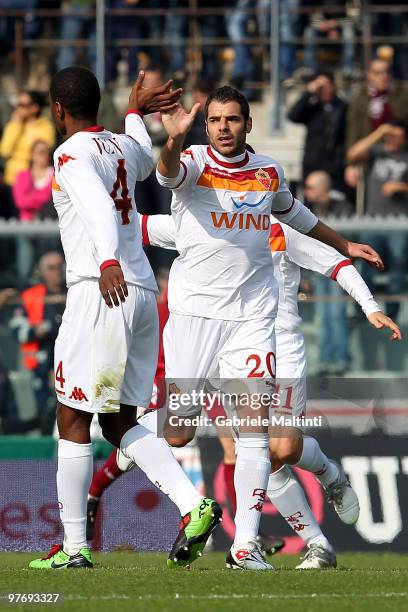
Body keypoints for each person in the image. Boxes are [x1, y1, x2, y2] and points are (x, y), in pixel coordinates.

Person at [155, 85, 383, 570]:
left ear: (247, 123)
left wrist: (343, 244)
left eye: (232, 119)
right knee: (176, 434)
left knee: (258, 437)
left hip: (253, 320)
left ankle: (246, 546)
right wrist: (170, 142)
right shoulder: (193, 161)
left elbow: (294, 213)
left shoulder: (268, 173)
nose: (223, 127)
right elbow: (168, 174)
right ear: (206, 124)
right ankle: (136, 439)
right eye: (215, 119)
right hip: (195, 317)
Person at [28, 67, 221, 571]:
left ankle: (74, 548)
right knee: (118, 421)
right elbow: (139, 160)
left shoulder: (68, 154)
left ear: (57, 109)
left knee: (71, 416)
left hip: (101, 289)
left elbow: (94, 207)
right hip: (140, 292)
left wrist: (107, 259)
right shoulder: (117, 144)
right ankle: (192, 504)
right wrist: (135, 112)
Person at [347, 119, 408, 318]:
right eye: (392, 134)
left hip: (399, 224)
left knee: (398, 268)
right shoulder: (376, 153)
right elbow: (352, 153)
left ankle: (393, 312)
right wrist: (379, 132)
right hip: (372, 222)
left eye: (399, 134)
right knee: (366, 266)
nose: (395, 138)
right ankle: (362, 311)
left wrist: (401, 187)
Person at [9, 252, 66, 433]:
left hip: (70, 363)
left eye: (59, 267)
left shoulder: (74, 293)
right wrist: (36, 330)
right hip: (39, 366)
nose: (57, 272)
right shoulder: (31, 296)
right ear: (41, 272)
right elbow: (16, 328)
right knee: (42, 415)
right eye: (51, 268)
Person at [304, 171, 353, 374]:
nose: (306, 192)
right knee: (323, 316)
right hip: (319, 270)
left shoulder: (343, 207)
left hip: (338, 268)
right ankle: (325, 360)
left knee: (336, 315)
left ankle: (341, 360)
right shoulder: (309, 209)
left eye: (310, 187)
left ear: (323, 188)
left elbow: (349, 238)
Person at [345, 59, 408, 189]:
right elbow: (353, 132)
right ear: (369, 75)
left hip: (400, 155)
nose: (383, 76)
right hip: (370, 155)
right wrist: (351, 164)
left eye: (386, 72)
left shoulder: (402, 94)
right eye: (377, 73)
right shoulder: (360, 98)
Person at [287, 72, 347, 191]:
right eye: (320, 86)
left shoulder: (342, 106)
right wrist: (308, 92)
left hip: (335, 163)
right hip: (312, 162)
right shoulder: (312, 106)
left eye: (327, 85)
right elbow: (293, 116)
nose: (324, 89)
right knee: (310, 201)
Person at [0, 90, 55, 219]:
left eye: (23, 105)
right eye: (18, 104)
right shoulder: (14, 124)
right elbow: (4, 150)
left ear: (35, 107)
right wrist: (17, 125)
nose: (19, 108)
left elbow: (41, 148)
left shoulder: (45, 126)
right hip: (12, 179)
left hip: (34, 180)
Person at [12, 140, 53, 221]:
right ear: (32, 155)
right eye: (41, 152)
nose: (45, 155)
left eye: (47, 152)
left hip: (50, 222)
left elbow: (54, 201)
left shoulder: (56, 174)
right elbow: (21, 202)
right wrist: (44, 197)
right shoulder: (22, 176)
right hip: (26, 224)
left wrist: (30, 197)